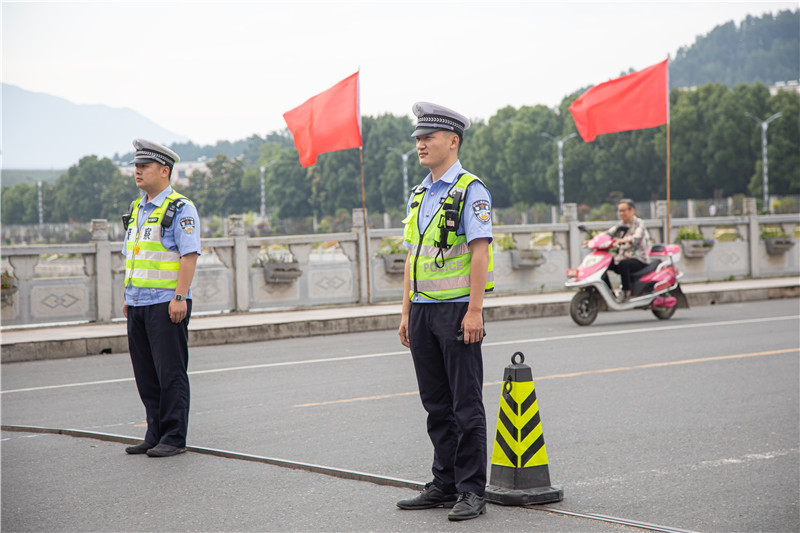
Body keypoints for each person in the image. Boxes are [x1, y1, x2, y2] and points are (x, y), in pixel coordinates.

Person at [396, 102, 493, 522]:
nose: (419, 144)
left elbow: (479, 252)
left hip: (456, 311)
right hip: (421, 313)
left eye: (427, 138)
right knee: (435, 403)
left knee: (465, 405)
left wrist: (475, 311)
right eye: (418, 138)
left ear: (452, 141)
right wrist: (405, 312)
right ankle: (445, 481)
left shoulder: (471, 190)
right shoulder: (420, 193)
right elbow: (412, 256)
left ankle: (472, 490)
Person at [122, 139, 201, 458]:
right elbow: (134, 256)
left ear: (164, 171)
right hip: (138, 303)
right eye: (136, 166)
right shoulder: (136, 208)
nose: (138, 171)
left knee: (170, 372)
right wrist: (128, 296)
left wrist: (180, 296)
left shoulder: (181, 208)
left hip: (167, 303)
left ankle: (173, 436)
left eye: (145, 166)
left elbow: (189, 256)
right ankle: (154, 432)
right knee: (146, 374)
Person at [601, 199, 650, 301]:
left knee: (624, 264)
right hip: (622, 257)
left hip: (639, 259)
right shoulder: (620, 226)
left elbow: (636, 237)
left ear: (632, 210)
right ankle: (609, 293)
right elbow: (607, 234)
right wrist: (592, 240)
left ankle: (626, 293)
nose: (621, 213)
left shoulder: (639, 223)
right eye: (619, 211)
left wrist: (624, 240)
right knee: (603, 264)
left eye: (624, 211)